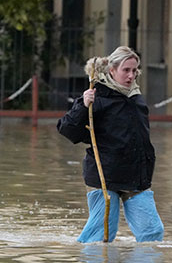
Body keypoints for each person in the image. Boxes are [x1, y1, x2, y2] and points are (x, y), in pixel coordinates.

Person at [57, 46, 164, 243]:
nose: (131, 76)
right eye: (126, 70)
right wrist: (82, 106)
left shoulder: (136, 99)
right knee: (101, 236)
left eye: (134, 71)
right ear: (112, 70)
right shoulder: (95, 97)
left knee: (152, 232)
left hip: (136, 176)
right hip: (104, 176)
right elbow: (67, 129)